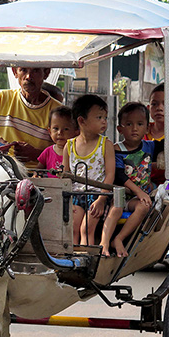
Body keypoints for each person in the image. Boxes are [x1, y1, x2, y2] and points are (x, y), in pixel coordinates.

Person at [0, 67, 62, 167]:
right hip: (2, 170)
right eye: (23, 70)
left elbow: (69, 151)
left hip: (38, 175)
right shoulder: (3, 98)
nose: (28, 76)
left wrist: (37, 154)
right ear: (15, 72)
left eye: (35, 71)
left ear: (46, 73)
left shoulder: (58, 111)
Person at [106, 102, 164, 257]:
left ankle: (119, 238)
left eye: (140, 124)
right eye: (129, 124)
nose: (134, 128)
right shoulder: (117, 149)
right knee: (116, 206)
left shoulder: (150, 146)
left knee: (144, 207)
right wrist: (139, 192)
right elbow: (119, 175)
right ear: (120, 129)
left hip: (137, 199)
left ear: (147, 128)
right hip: (120, 196)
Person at [62, 94, 117, 248]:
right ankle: (70, 260)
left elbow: (110, 174)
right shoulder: (69, 146)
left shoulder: (105, 144)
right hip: (76, 196)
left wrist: (101, 199)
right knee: (73, 229)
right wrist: (68, 200)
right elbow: (66, 177)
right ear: (81, 121)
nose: (104, 121)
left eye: (105, 117)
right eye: (99, 117)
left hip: (97, 196)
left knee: (86, 229)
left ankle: (87, 261)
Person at [36, 106, 78, 177]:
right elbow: (38, 169)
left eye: (66, 129)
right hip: (50, 186)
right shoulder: (48, 152)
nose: (59, 132)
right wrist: (37, 175)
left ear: (76, 132)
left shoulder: (76, 152)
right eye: (56, 128)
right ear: (50, 131)